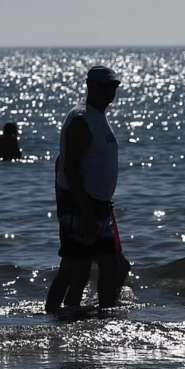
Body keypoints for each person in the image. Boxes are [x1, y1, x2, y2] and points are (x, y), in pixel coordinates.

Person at [45, 66, 128, 314]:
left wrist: (102, 209)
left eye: (113, 88)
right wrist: (85, 210)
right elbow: (68, 167)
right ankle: (53, 316)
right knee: (73, 269)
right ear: (90, 87)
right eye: (105, 88)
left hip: (100, 206)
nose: (110, 93)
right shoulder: (81, 120)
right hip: (81, 206)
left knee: (113, 266)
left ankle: (103, 315)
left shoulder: (98, 116)